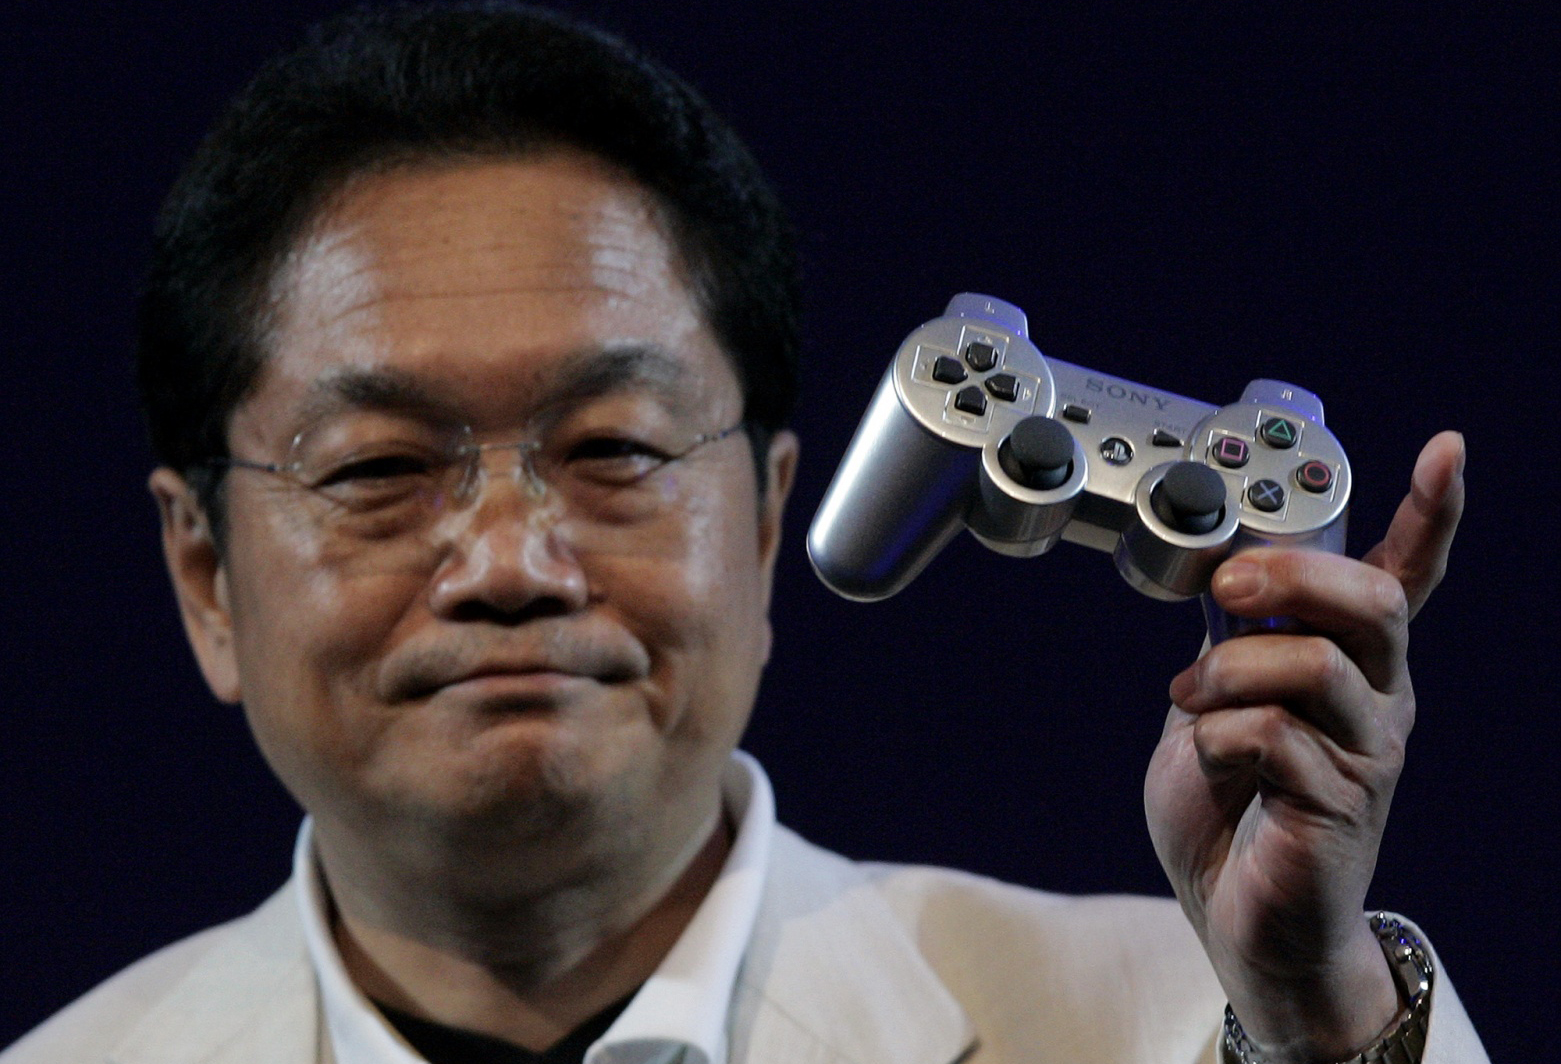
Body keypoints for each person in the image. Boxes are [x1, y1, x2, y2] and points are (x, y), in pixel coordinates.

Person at [2, 5, 1488, 1063]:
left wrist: (1313, 1022)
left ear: (768, 521)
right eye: (381, 465)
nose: (511, 563)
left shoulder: (1181, 1027)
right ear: (204, 574)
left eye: (614, 449)